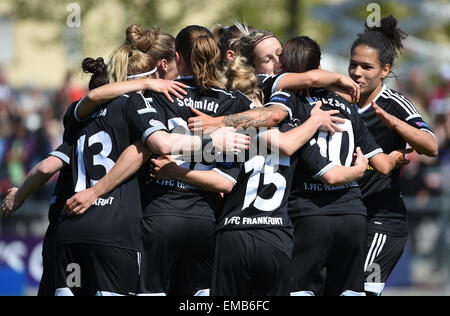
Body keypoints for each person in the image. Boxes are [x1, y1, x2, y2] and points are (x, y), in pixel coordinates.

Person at [65, 25, 253, 297]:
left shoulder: (156, 95)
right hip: (205, 219)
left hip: (159, 215)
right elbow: (269, 119)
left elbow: (145, 145)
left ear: (177, 58)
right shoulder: (236, 103)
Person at [0, 57, 110, 296]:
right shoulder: (132, 125)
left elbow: (45, 168)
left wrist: (19, 194)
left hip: (72, 229)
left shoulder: (78, 126)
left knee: (68, 288)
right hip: (116, 231)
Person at [348, 15, 438, 296]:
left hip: (381, 218)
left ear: (385, 70)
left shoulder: (395, 104)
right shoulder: (335, 100)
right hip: (343, 217)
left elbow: (430, 146)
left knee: (360, 292)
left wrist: (395, 124)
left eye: (366, 67)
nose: (357, 73)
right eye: (353, 64)